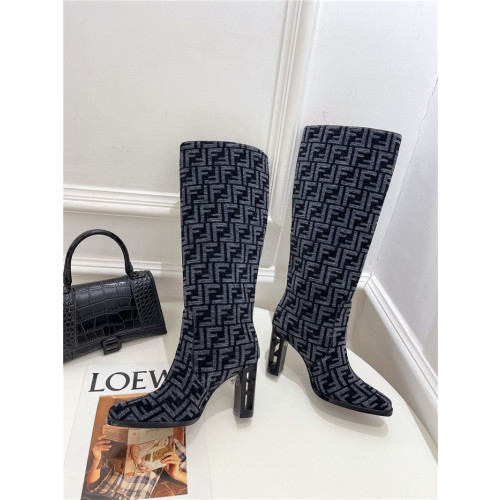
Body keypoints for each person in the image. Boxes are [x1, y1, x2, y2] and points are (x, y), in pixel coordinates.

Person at [84, 433, 187, 499]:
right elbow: (91, 487)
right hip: (102, 495)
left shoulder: (169, 443)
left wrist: (177, 474)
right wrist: (97, 460)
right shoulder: (119, 436)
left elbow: (196, 480)